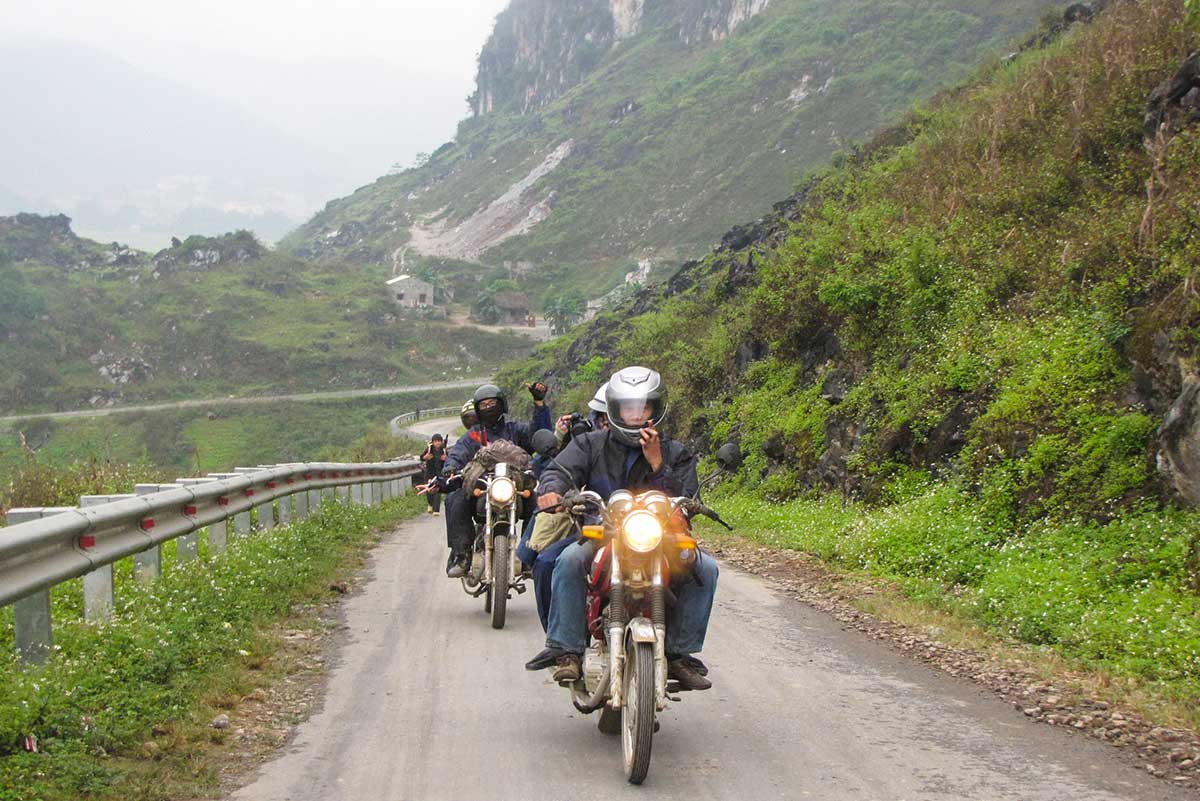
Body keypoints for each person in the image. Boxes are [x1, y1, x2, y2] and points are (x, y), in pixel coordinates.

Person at [524, 366, 717, 691]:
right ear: (615, 409)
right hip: (602, 532)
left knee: (706, 568)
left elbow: (687, 496)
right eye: (629, 408)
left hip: (659, 536)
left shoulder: (674, 451)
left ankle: (679, 654)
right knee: (566, 561)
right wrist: (552, 490)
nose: (636, 415)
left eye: (644, 407)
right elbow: (559, 470)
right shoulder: (590, 444)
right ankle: (567, 650)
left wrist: (658, 463)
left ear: (656, 409)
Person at [422, 382, 552, 577]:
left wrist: (539, 405)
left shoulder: (515, 430)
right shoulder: (472, 436)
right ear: (477, 409)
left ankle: (530, 555)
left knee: (540, 504)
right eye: (483, 405)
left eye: (492, 403)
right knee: (455, 499)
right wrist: (450, 470)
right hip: (481, 490)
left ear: (502, 404)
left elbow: (541, 437)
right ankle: (462, 555)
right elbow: (457, 454)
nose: (488, 407)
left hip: (515, 488)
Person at [420, 433, 447, 515]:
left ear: (441, 442)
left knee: (437, 490)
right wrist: (425, 457)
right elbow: (421, 457)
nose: (437, 443)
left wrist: (446, 459)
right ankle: (430, 504)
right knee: (429, 490)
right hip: (429, 473)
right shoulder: (429, 449)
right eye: (435, 441)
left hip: (439, 473)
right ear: (432, 442)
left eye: (439, 441)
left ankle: (436, 510)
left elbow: (449, 459)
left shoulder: (444, 450)